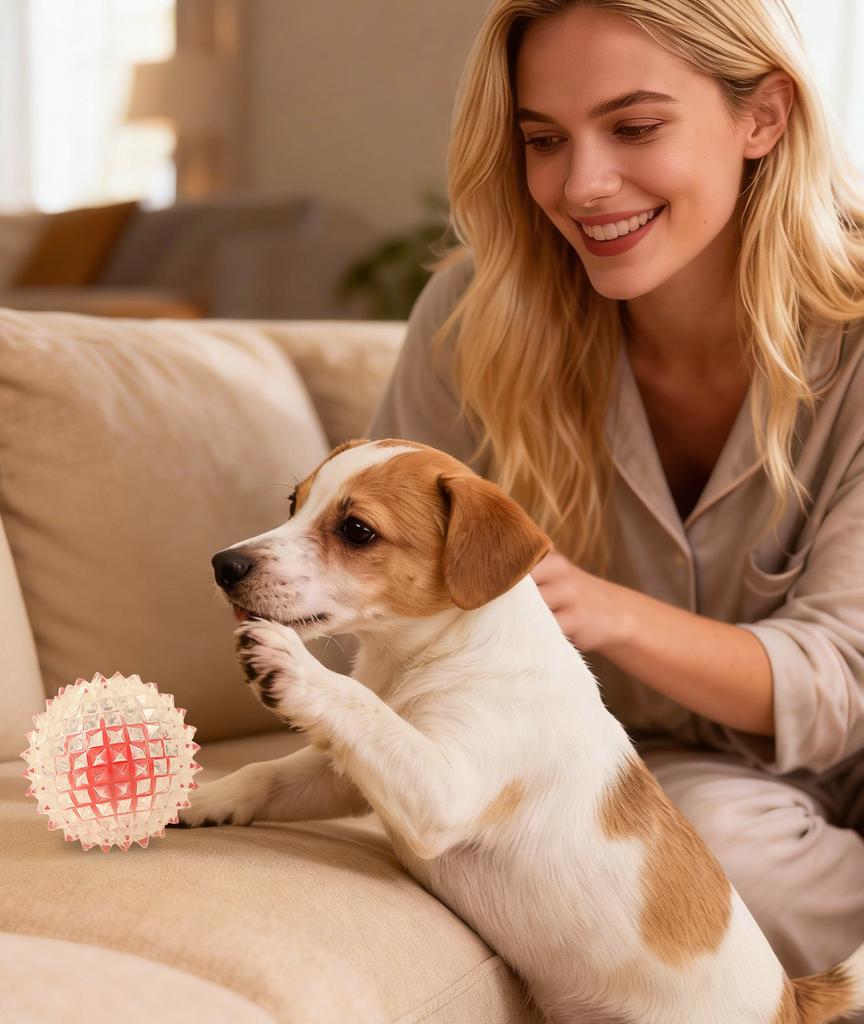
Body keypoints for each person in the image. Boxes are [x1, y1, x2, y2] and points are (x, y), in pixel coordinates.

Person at [368, 0, 864, 992]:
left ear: (761, 117)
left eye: (634, 128)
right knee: (717, 856)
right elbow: (383, 593)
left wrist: (598, 608)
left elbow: (841, 675)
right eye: (542, 140)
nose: (581, 184)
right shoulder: (471, 322)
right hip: (682, 777)